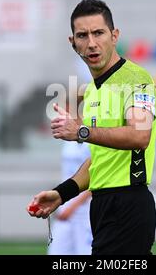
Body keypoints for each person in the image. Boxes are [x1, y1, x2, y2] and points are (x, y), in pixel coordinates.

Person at [28, 0, 156, 255]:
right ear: (72, 43)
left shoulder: (136, 79)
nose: (91, 43)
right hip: (101, 207)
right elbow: (100, 161)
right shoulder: (91, 94)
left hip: (128, 203)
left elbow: (140, 136)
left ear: (114, 35)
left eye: (98, 33)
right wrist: (62, 194)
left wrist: (81, 132)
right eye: (82, 35)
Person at [48, 101, 92, 255]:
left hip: (85, 209)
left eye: (66, 109)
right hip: (66, 204)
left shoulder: (91, 137)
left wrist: (73, 207)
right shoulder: (67, 138)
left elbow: (95, 175)